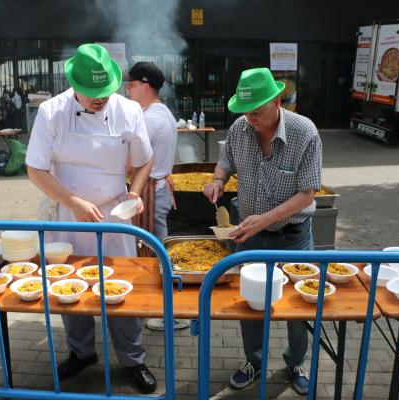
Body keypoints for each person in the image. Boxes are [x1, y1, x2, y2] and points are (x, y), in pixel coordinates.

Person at [25, 44, 157, 393]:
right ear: (74, 85)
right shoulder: (52, 112)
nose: (101, 99)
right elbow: (35, 168)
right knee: (71, 285)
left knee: (121, 287)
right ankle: (82, 353)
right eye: (92, 94)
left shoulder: (129, 111)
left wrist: (135, 191)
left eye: (106, 92)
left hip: (115, 214)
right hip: (67, 212)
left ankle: (133, 358)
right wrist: (75, 202)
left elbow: (144, 160)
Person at [203, 67, 322, 395]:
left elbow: (308, 192)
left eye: (255, 112)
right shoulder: (241, 127)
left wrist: (266, 219)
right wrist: (216, 181)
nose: (249, 119)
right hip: (250, 232)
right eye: (244, 112)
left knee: (297, 305)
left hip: (292, 235)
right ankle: (253, 360)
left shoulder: (305, 132)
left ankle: (295, 360)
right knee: (250, 301)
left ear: (277, 101)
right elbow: (225, 162)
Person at [125, 62, 189, 331]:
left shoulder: (150, 118)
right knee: (154, 248)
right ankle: (161, 307)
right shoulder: (162, 111)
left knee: (154, 251)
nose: (128, 89)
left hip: (151, 190)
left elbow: (133, 162)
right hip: (158, 187)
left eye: (131, 84)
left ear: (145, 86)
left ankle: (167, 312)